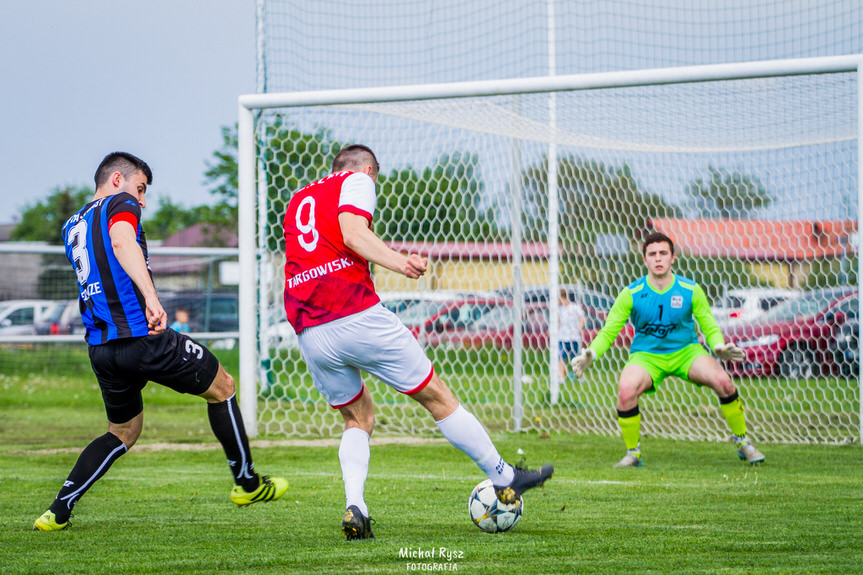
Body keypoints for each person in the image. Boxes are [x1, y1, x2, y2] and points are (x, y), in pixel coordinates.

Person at [283, 144, 553, 540]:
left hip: (310, 328)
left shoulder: (298, 199)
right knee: (438, 397)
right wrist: (399, 262)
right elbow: (353, 233)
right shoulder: (357, 180)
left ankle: (355, 506)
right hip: (354, 312)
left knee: (357, 418)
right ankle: (505, 477)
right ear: (369, 170)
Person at [34, 152, 287, 532]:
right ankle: (247, 484)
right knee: (224, 387)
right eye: (140, 189)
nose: (143, 201)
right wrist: (152, 298)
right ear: (116, 179)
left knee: (122, 432)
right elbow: (121, 242)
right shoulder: (119, 203)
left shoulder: (74, 223)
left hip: (102, 349)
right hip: (143, 337)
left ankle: (58, 510)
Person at [571, 232, 765, 468]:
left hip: (686, 352)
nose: (658, 258)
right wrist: (592, 352)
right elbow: (609, 330)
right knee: (625, 390)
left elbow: (708, 323)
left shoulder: (690, 289)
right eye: (652, 254)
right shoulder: (631, 293)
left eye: (663, 253)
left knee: (723, 381)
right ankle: (633, 454)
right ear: (644, 260)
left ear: (673, 257)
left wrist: (717, 345)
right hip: (647, 356)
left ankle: (743, 442)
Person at [557, 288, 585, 380]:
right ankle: (561, 377)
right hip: (562, 338)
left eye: (558, 299)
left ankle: (579, 376)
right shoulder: (559, 309)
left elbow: (582, 320)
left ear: (563, 298)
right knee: (561, 358)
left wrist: (578, 328)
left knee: (575, 358)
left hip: (573, 337)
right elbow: (558, 322)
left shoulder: (575, 307)